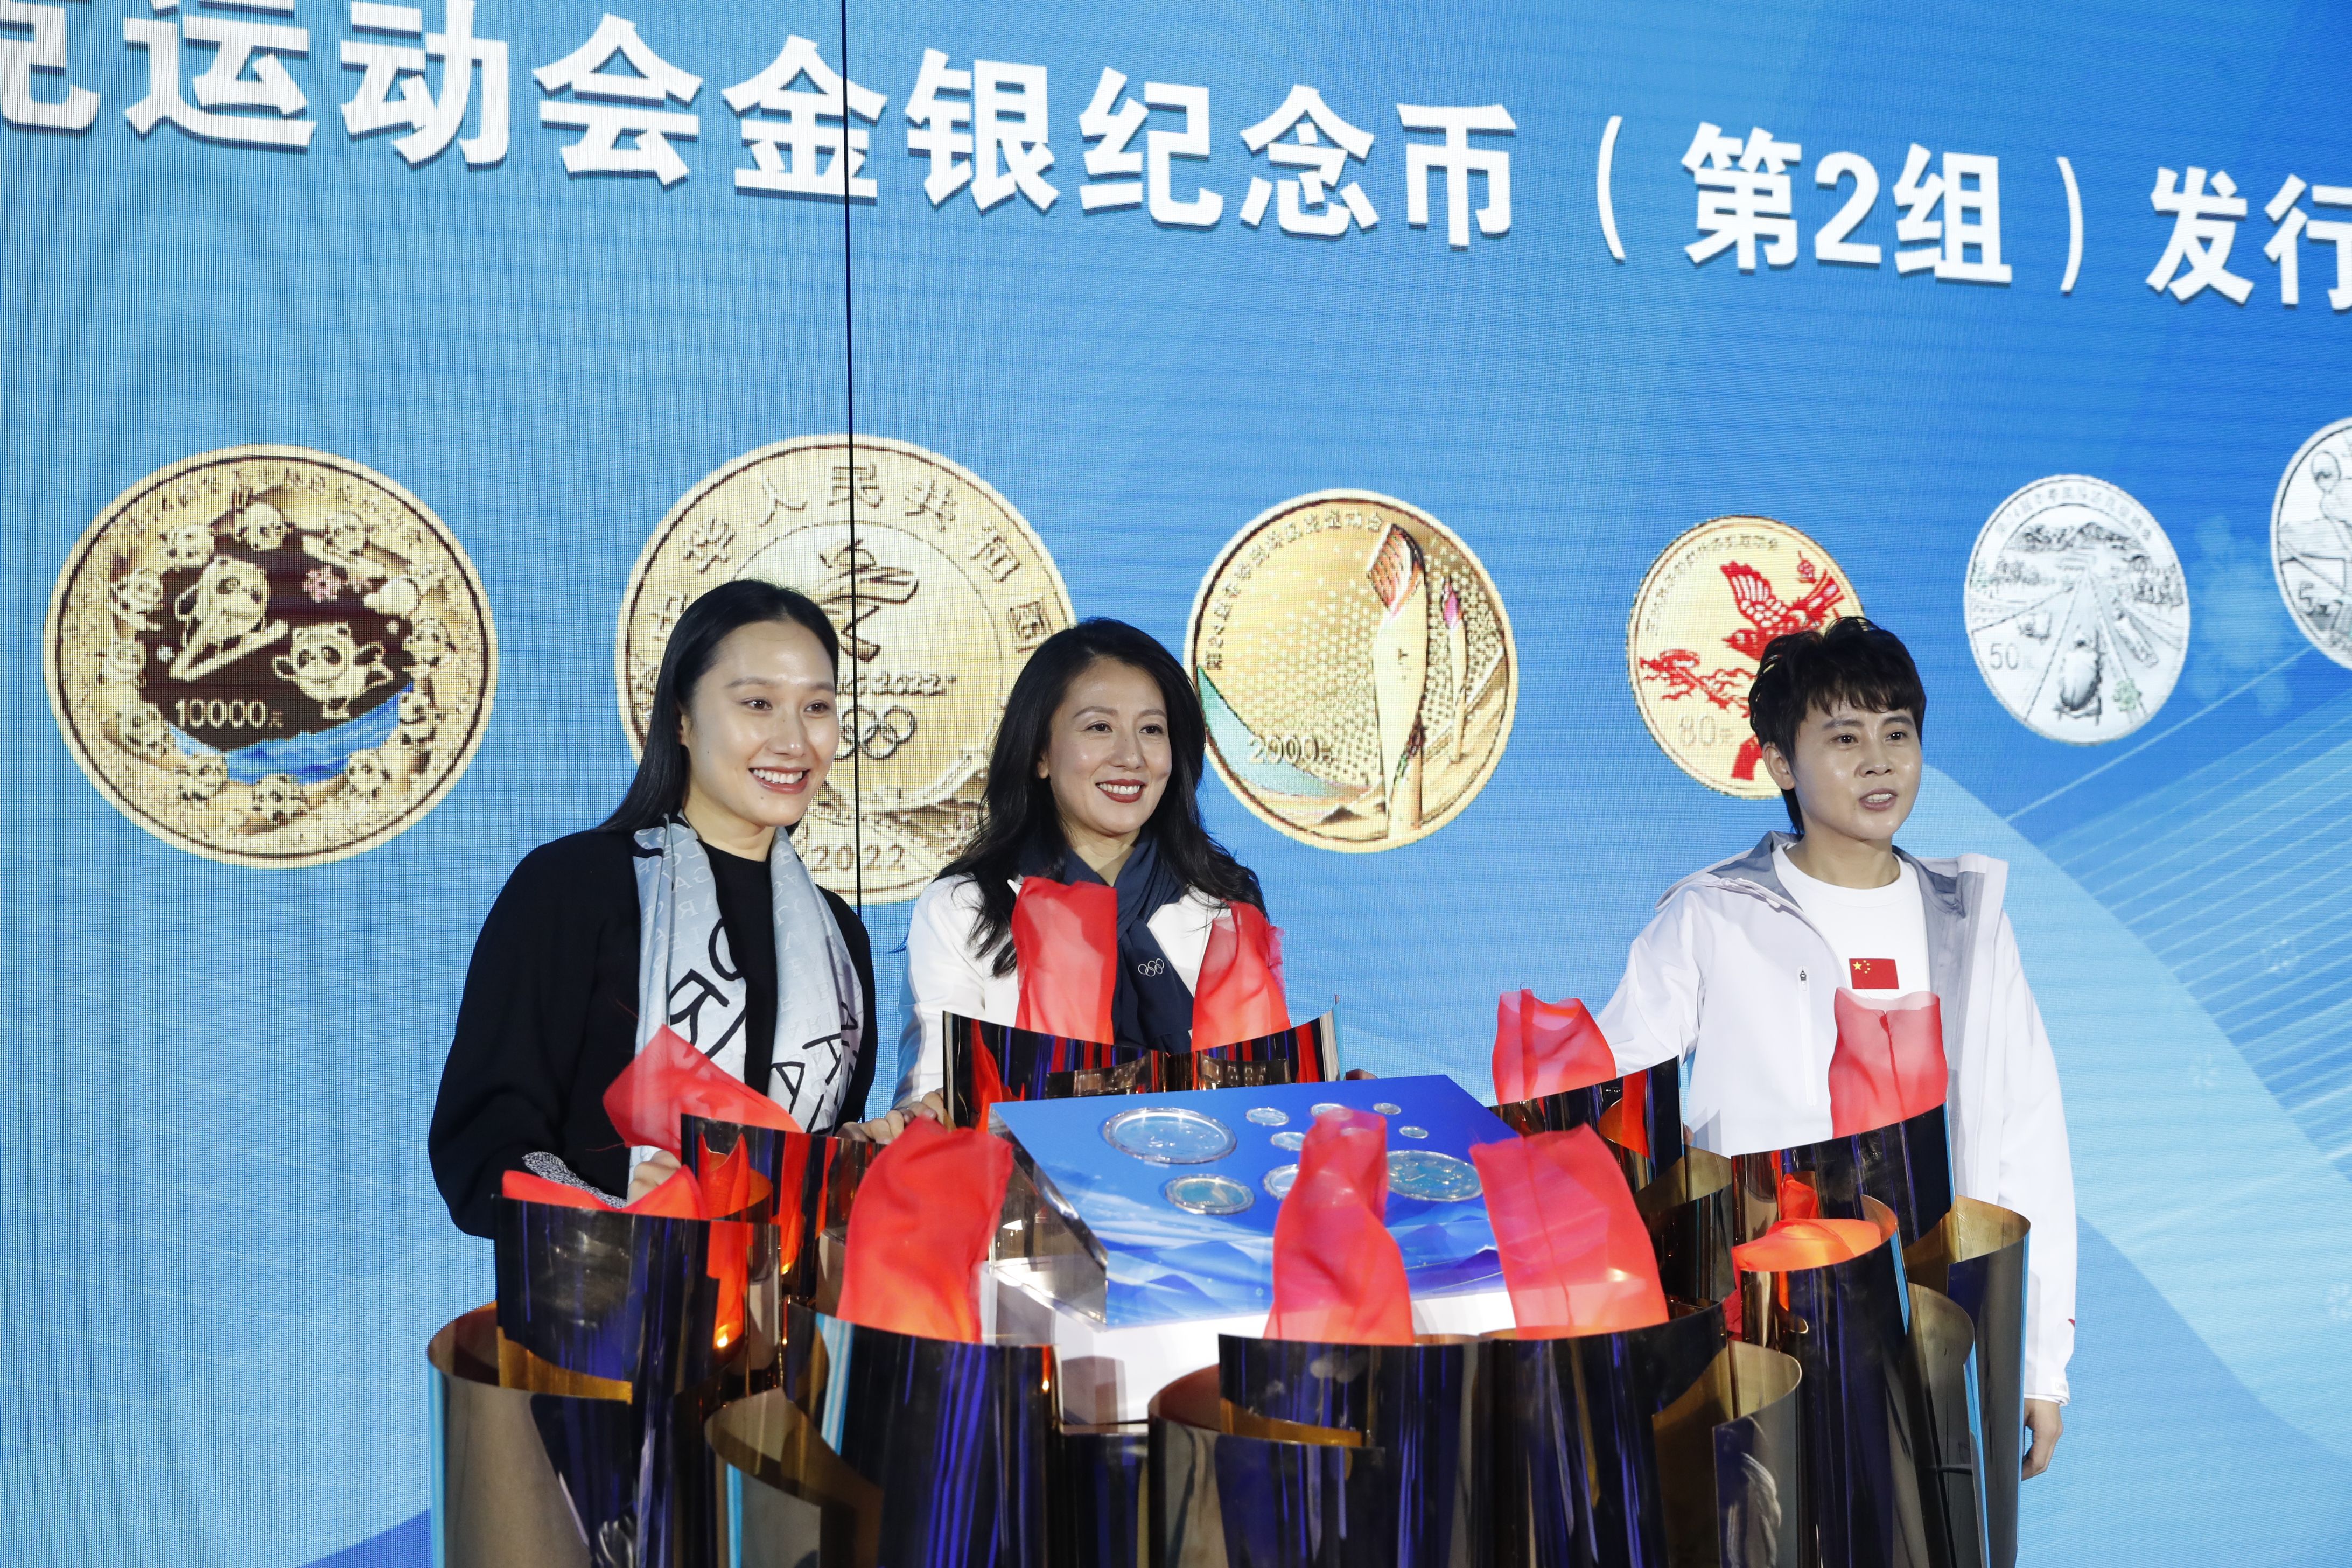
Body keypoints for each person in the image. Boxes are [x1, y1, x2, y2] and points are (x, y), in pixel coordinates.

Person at [1597, 616, 2076, 1479]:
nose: (1879, 761)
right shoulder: (1714, 914)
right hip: (1761, 1336)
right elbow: (1613, 1103)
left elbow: (2027, 1142)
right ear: (1781, 763)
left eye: (1898, 733)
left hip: (1937, 1328)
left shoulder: (1970, 925)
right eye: (1845, 738)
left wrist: (2037, 1360)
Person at [429, 580, 888, 1237]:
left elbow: (813, 1169)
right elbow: (482, 1146)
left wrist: (859, 1156)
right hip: (601, 1294)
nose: (794, 741)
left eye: (817, 706)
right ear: (681, 717)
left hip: (779, 1299)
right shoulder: (572, 886)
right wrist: (611, 1211)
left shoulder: (841, 937)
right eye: (758, 703)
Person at [891, 619, 1268, 1121]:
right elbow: (930, 1107)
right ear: (1041, 753)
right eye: (1099, 727)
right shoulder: (966, 910)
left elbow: (1263, 1096)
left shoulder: (1224, 904)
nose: (1131, 757)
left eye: (1152, 730)